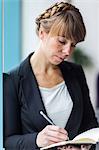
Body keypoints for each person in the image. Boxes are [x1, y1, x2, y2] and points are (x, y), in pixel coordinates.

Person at [3, 1, 98, 150]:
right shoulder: (12, 80)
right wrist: (37, 140)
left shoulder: (76, 72)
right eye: (62, 41)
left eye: (73, 45)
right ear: (42, 33)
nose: (67, 51)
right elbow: (8, 141)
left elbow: (90, 124)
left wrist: (83, 146)